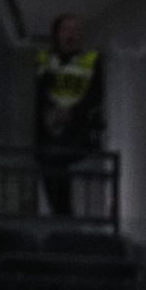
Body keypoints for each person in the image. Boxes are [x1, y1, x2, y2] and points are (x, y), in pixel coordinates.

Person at [32, 14, 104, 216]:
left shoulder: (90, 61)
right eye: (66, 29)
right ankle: (61, 216)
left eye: (75, 30)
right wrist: (51, 111)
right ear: (56, 34)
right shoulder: (44, 60)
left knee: (59, 169)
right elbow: (36, 92)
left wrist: (73, 112)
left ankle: (63, 217)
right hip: (48, 130)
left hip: (75, 130)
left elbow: (96, 95)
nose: (71, 34)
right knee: (51, 172)